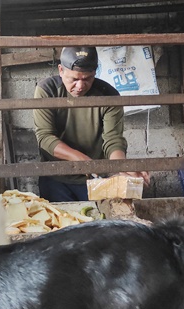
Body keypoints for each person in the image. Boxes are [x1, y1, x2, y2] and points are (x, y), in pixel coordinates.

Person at [33, 46, 150, 202]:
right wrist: (88, 163)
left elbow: (113, 140)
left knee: (99, 222)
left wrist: (122, 167)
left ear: (95, 72)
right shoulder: (47, 90)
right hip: (56, 177)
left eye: (87, 78)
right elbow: (45, 138)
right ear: (61, 70)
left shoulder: (109, 95)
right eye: (74, 79)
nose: (80, 86)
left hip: (95, 180)